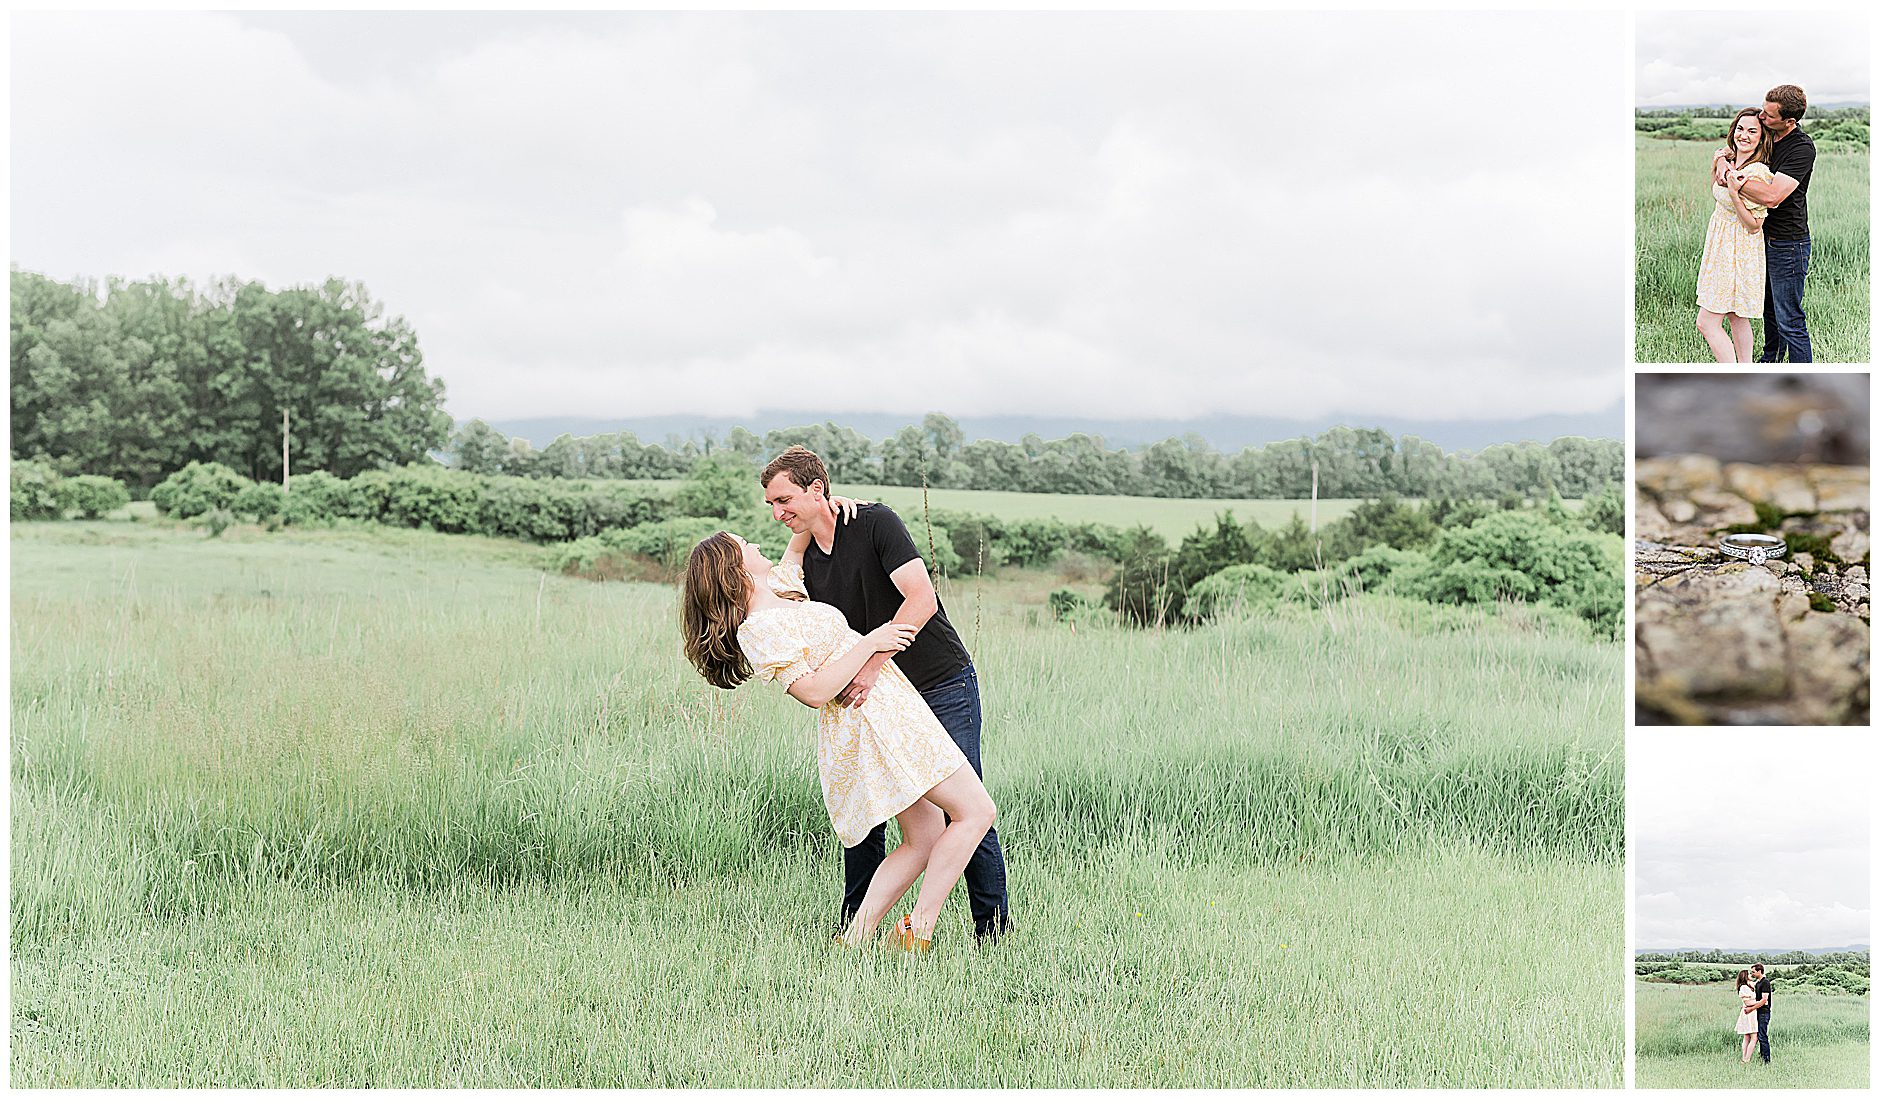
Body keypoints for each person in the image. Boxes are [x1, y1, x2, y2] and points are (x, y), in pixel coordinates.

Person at [679, 528, 997, 950]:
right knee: (976, 811)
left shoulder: (780, 589)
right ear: (734, 569)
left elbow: (798, 538)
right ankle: (918, 928)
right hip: (873, 721)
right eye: (745, 546)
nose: (756, 545)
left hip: (891, 707)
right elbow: (811, 692)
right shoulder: (758, 629)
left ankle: (855, 938)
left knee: (924, 838)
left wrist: (831, 502)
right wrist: (871, 643)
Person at [760, 445, 1014, 941]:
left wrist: (873, 668)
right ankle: (855, 926)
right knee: (868, 805)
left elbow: (921, 600)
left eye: (784, 499)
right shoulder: (806, 558)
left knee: (966, 802)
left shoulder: (875, 523)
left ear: (817, 489)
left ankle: (992, 930)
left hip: (938, 681)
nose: (777, 512)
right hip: (880, 698)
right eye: (771, 504)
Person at [1713, 85, 1816, 362]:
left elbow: (1772, 197)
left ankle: (1802, 374)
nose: (1761, 116)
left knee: (1789, 319)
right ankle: (1769, 361)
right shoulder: (1768, 134)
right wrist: (1722, 159)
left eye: (1769, 115)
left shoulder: (1801, 148)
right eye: (1762, 108)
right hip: (1756, 240)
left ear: (1789, 121)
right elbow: (1730, 149)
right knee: (1768, 312)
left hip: (1787, 243)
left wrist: (1733, 179)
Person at [1694, 108, 1775, 362]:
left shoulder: (1757, 173)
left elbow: (1754, 225)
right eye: (1741, 129)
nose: (1744, 135)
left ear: (1762, 138)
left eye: (1753, 131)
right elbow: (1716, 194)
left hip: (1738, 249)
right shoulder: (1730, 162)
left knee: (1706, 323)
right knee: (1735, 315)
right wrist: (1718, 162)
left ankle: (1733, 371)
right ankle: (1747, 366)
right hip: (1720, 242)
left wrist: (1734, 193)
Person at [1741, 962, 1774, 1063]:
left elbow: (1764, 1000)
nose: (1752, 974)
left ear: (1760, 971)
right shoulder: (1758, 983)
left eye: (1754, 972)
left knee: (1762, 1036)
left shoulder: (1765, 983)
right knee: (1759, 1036)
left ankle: (1766, 1060)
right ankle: (1762, 1056)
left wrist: (1751, 1009)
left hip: (1764, 1013)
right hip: (1758, 1013)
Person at [1733, 969, 1758, 1062]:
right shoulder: (1744, 987)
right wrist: (1761, 1002)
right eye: (1749, 974)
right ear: (1745, 976)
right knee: (1753, 1037)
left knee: (1747, 1036)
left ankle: (1744, 1058)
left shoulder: (1749, 985)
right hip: (1749, 1014)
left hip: (1751, 1013)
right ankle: (1746, 1059)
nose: (1752, 975)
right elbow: (1747, 1002)